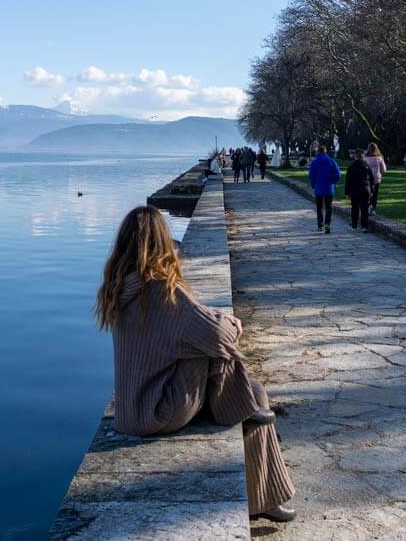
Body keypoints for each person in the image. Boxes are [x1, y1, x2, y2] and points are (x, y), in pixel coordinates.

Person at [95, 206, 296, 523]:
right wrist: (231, 323)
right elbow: (218, 333)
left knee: (255, 391)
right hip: (159, 413)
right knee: (216, 349)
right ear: (162, 242)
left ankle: (265, 498)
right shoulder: (160, 291)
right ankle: (265, 499)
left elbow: (187, 328)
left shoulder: (120, 289)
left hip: (131, 413)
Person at [307, 142, 341, 233]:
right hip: (329, 187)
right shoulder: (331, 161)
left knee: (319, 207)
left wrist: (313, 184)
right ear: (326, 151)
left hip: (318, 188)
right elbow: (338, 174)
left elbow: (311, 175)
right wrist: (333, 181)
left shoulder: (314, 162)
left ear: (318, 152)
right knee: (329, 207)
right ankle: (327, 225)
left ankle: (320, 225)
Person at [344, 150, 376, 231]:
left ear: (355, 156)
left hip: (355, 190)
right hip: (365, 189)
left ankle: (354, 225)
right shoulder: (367, 166)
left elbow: (348, 180)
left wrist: (347, 192)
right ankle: (364, 226)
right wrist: (372, 191)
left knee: (355, 208)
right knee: (364, 208)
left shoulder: (351, 167)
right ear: (363, 157)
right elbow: (372, 180)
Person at [363, 142, 388, 212]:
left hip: (366, 178)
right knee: (375, 194)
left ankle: (367, 207)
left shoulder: (365, 158)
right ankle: (373, 208)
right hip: (376, 178)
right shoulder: (379, 158)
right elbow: (384, 170)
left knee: (367, 193)